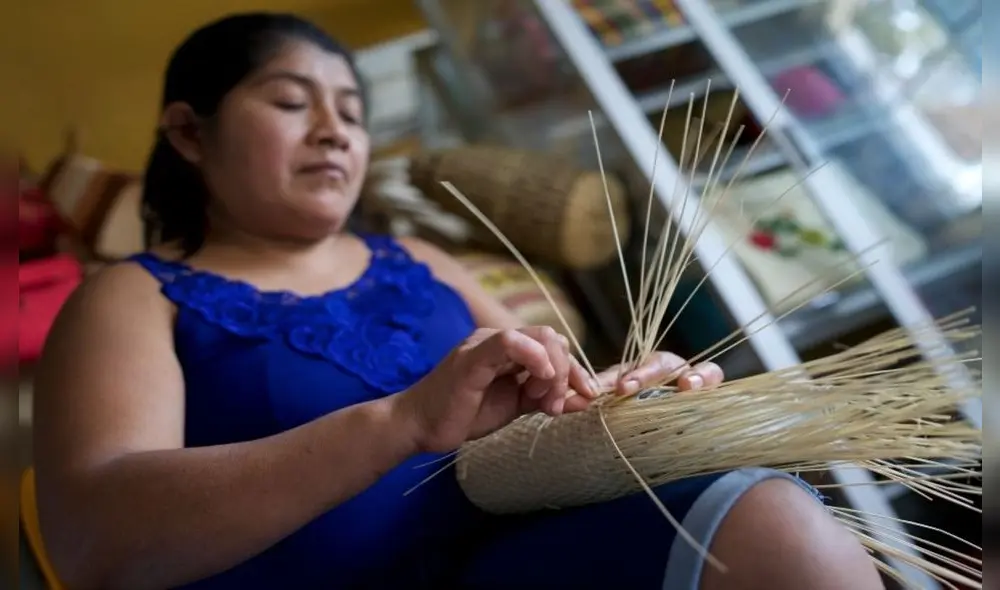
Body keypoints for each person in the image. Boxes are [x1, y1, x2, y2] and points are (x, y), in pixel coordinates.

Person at [32, 12, 885, 590]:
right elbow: (93, 541)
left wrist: (622, 410)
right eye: (291, 103)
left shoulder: (419, 257)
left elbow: (541, 411)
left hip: (512, 560)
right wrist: (396, 422)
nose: (335, 130)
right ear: (189, 133)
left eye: (353, 114)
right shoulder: (131, 297)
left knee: (775, 520)